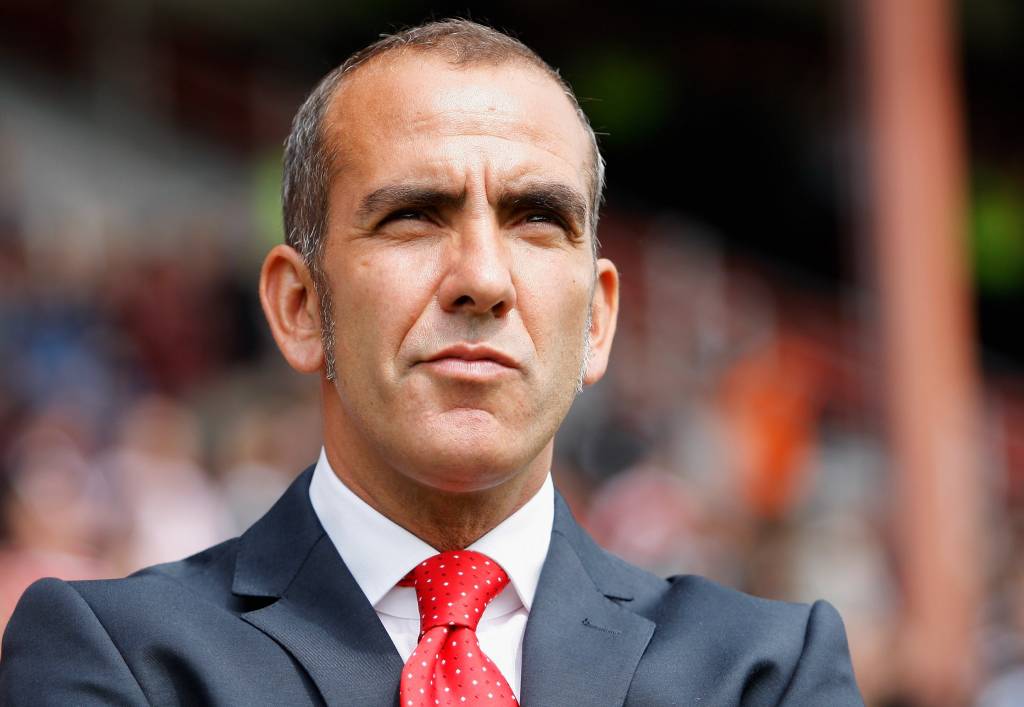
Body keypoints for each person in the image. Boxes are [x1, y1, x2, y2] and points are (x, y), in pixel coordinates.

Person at [0, 19, 863, 706]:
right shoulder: (121, 659)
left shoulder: (765, 672)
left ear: (598, 321)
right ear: (299, 307)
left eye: (536, 219)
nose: (482, 278)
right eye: (413, 215)